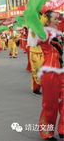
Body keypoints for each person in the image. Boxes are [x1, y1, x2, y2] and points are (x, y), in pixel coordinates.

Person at [35, 10, 64, 140]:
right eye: (55, 19)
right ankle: (47, 131)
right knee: (50, 103)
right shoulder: (43, 32)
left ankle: (62, 129)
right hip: (50, 71)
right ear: (47, 20)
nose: (58, 21)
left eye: (58, 19)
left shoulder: (59, 33)